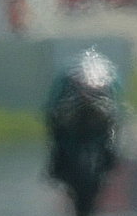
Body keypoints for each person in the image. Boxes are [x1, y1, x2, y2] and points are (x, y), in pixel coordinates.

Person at [43, 48, 122, 183]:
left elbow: (53, 102)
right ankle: (110, 159)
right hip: (92, 119)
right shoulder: (107, 73)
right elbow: (117, 99)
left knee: (59, 134)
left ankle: (58, 163)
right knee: (110, 133)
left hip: (79, 120)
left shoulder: (67, 74)